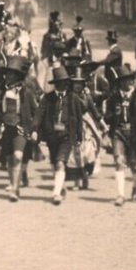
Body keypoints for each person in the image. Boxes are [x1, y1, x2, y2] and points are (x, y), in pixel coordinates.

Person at [31, 66, 84, 205]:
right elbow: (39, 114)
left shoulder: (73, 98)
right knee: (55, 163)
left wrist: (79, 136)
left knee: (61, 162)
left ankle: (56, 193)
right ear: (55, 84)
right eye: (59, 82)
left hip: (67, 136)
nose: (62, 85)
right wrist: (35, 130)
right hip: (51, 136)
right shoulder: (48, 98)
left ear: (67, 83)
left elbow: (79, 118)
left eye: (64, 82)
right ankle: (61, 186)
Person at [104, 65, 136, 206]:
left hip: (133, 135)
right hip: (118, 133)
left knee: (133, 164)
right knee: (119, 161)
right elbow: (106, 117)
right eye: (125, 80)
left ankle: (135, 186)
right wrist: (115, 115)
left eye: (130, 80)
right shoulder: (113, 98)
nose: (129, 82)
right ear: (120, 83)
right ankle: (120, 194)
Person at [0, 57, 38, 202]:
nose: (9, 76)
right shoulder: (2, 92)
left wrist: (34, 129)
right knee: (9, 159)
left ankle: (14, 189)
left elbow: (35, 110)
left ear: (18, 75)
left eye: (13, 73)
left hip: (20, 129)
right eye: (8, 73)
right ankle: (14, 184)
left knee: (18, 157)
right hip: (6, 129)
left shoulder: (26, 92)